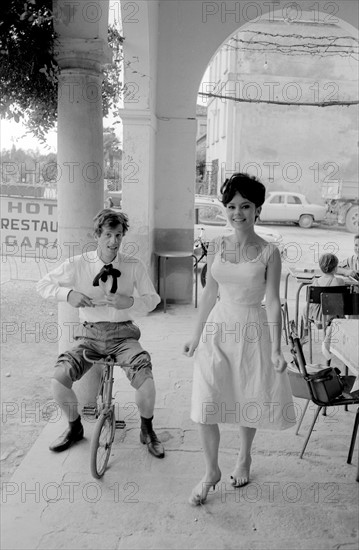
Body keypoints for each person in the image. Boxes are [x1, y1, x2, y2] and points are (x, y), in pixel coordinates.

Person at [183, 173, 295, 506]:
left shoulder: (269, 252)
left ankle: (244, 457)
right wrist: (195, 335)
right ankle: (211, 471)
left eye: (245, 206)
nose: (237, 213)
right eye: (231, 206)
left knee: (248, 397)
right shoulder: (217, 245)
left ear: (257, 209)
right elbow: (209, 293)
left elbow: (273, 301)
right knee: (205, 404)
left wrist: (277, 347)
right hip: (218, 328)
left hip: (251, 329)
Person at [36, 209, 165, 459]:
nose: (113, 241)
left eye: (118, 235)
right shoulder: (77, 264)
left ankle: (147, 429)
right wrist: (68, 295)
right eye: (108, 234)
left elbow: (153, 299)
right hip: (90, 335)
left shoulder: (133, 265)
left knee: (146, 381)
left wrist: (130, 302)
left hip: (124, 335)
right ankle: (74, 428)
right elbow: (42, 285)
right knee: (58, 380)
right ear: (98, 235)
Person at [300, 253, 342, 338]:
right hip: (332, 315)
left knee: (306, 309)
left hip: (315, 315)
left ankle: (306, 328)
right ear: (335, 268)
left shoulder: (316, 281)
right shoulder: (339, 281)